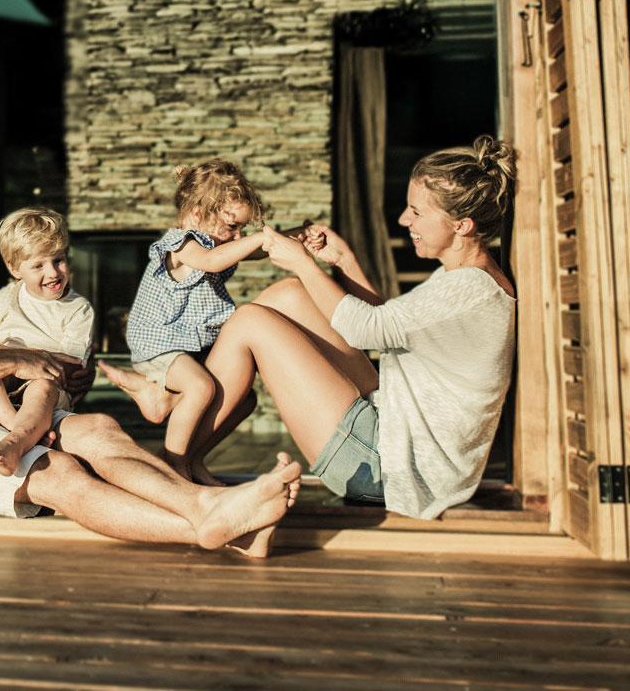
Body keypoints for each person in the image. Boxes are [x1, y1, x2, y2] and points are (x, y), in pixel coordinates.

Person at [0, 166, 301, 555]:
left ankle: (214, 509)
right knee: (55, 470)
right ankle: (216, 525)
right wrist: (22, 359)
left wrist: (65, 374)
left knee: (98, 428)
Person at [193, 136, 518, 519]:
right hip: (392, 430)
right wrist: (343, 261)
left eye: (416, 212)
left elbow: (367, 330)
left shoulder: (465, 290)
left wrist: (303, 262)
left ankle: (178, 447)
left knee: (251, 320)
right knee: (289, 295)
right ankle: (189, 429)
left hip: (387, 468)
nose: (403, 220)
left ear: (461, 225)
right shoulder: (467, 279)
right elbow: (386, 330)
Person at [98, 159, 272, 486]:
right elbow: (211, 260)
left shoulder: (221, 242)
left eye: (242, 229)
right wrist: (258, 238)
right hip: (160, 342)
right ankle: (173, 467)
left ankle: (193, 459)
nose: (237, 236)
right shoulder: (182, 243)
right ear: (196, 214)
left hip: (189, 345)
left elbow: (257, 251)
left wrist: (296, 237)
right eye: (232, 225)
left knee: (244, 399)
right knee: (201, 387)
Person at [0, 206, 95, 476]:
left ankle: (14, 443)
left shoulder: (78, 309)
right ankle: (15, 424)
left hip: (46, 384)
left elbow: (70, 364)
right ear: (15, 268)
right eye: (38, 265)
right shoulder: (5, 297)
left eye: (58, 260)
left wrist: (17, 358)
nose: (52, 273)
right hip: (6, 382)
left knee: (41, 386)